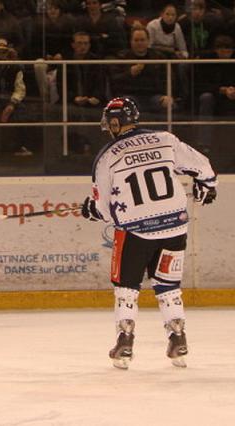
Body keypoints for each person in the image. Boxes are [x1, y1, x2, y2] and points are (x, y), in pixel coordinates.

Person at [81, 97, 218, 369]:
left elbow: (105, 210)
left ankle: (125, 342)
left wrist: (92, 210)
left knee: (127, 288)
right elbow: (203, 167)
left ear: (116, 122)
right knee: (168, 287)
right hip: (174, 225)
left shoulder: (107, 156)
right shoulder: (165, 139)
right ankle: (178, 338)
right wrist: (207, 185)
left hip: (136, 230)